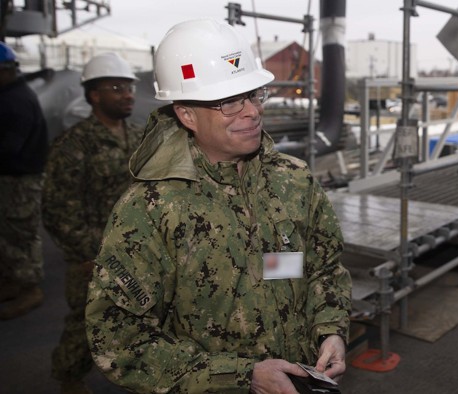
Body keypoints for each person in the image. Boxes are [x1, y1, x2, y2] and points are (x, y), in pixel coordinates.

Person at [84, 18, 352, 393]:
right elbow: (120, 341)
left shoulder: (294, 180)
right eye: (228, 102)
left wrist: (331, 331)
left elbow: (323, 269)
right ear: (187, 114)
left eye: (254, 95)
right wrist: (242, 376)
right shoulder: (150, 209)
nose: (251, 112)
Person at [42, 52, 144, 394]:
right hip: (93, 255)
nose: (127, 94)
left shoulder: (138, 136)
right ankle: (69, 376)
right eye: (117, 87)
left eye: (129, 87)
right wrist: (94, 253)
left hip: (137, 248)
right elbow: (58, 210)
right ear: (94, 95)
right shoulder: (74, 145)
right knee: (88, 320)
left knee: (144, 314)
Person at [0, 41, 49, 320]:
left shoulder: (15, 101)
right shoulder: (11, 95)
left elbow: (9, 147)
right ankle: (14, 280)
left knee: (20, 232)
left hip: (20, 179)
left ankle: (29, 286)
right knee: (9, 233)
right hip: (13, 177)